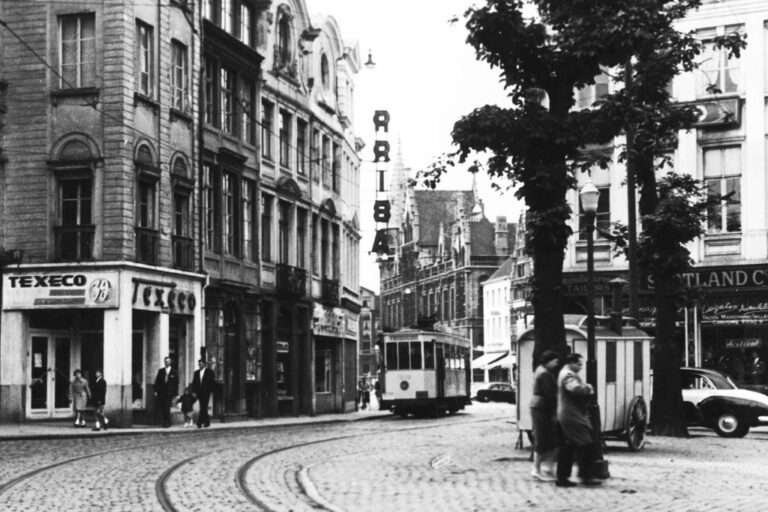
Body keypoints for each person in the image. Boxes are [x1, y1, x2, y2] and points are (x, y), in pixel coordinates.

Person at [555, 353, 601, 487]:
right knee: (585, 443)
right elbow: (574, 388)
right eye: (579, 364)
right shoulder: (568, 375)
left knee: (569, 446)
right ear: (571, 363)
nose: (581, 367)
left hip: (569, 415)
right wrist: (588, 388)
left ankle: (563, 477)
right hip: (572, 416)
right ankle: (585, 475)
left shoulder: (564, 373)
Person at [529, 350, 560, 482]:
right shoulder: (545, 374)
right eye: (555, 361)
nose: (556, 364)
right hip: (542, 407)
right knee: (542, 438)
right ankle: (537, 469)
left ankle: (546, 467)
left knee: (545, 438)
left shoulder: (540, 370)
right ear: (549, 361)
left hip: (539, 406)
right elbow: (550, 394)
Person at [154, 356, 179, 428]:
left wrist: (176, 394)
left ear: (170, 362)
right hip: (161, 392)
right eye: (165, 361)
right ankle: (166, 421)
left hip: (169, 393)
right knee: (162, 408)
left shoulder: (174, 372)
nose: (166, 363)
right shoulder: (161, 371)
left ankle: (167, 422)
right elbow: (157, 382)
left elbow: (176, 383)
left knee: (167, 407)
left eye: (168, 361)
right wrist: (155, 391)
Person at [192, 357, 215, 428]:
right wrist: (194, 392)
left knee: (203, 407)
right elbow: (194, 383)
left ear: (204, 365)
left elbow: (212, 382)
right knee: (203, 407)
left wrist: (210, 390)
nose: (200, 365)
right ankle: (207, 422)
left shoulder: (209, 372)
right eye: (199, 364)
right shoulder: (196, 373)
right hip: (199, 392)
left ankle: (199, 422)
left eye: (201, 364)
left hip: (206, 392)